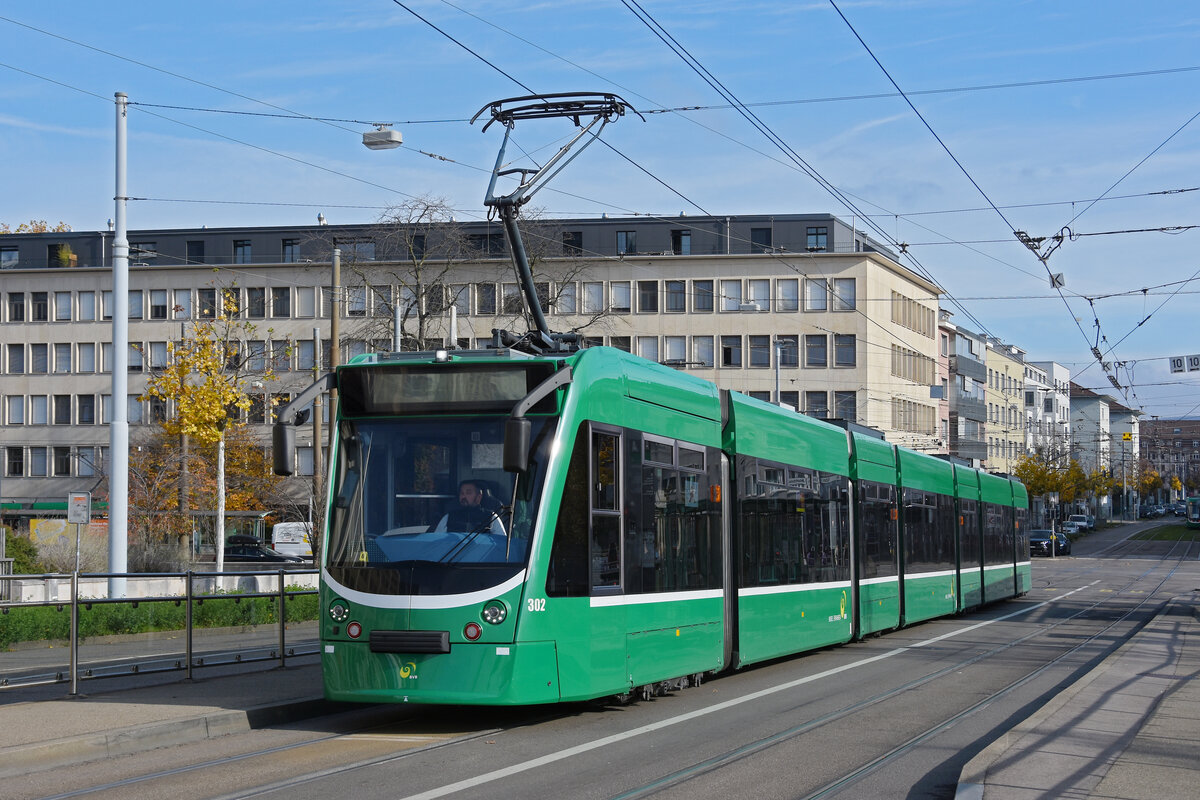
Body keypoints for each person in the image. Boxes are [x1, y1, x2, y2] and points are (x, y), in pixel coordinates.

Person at [433, 479, 505, 535]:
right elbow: (437, 541)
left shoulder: (491, 517)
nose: (463, 496)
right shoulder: (448, 517)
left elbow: (501, 543)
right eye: (462, 493)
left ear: (479, 497)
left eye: (468, 493)